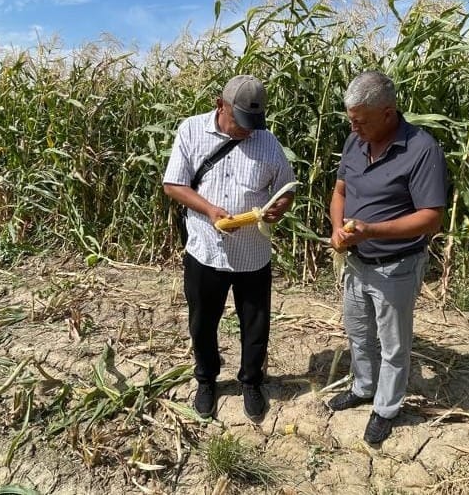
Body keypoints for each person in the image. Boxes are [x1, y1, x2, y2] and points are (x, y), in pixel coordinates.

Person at [162, 74, 296, 422]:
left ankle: (252, 381)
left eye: (253, 123)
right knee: (202, 323)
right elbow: (173, 184)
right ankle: (206, 380)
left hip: (252, 255)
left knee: (255, 326)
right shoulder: (191, 131)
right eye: (240, 122)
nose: (247, 131)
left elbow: (287, 189)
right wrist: (209, 209)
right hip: (205, 250)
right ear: (220, 105)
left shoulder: (268, 142)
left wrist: (280, 207)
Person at [327, 71, 448, 444]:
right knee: (359, 333)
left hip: (395, 266)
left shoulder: (421, 149)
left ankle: (386, 407)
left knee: (394, 344)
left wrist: (372, 231)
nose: (354, 127)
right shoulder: (354, 141)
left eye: (361, 121)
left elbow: (431, 217)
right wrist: (337, 229)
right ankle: (364, 387)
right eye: (351, 120)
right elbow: (340, 192)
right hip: (357, 262)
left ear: (389, 113)